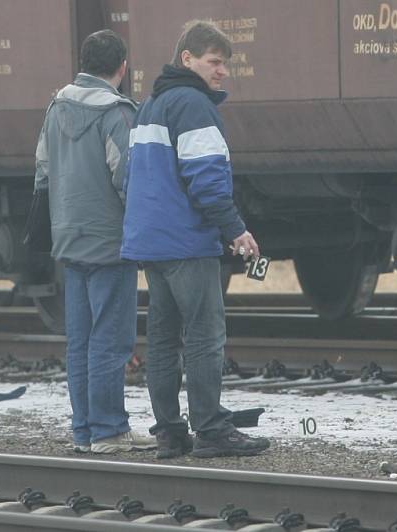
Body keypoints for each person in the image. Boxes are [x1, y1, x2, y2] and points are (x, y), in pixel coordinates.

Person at [121, 21, 270, 458]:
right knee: (205, 336)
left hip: (152, 240)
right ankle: (210, 429)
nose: (222, 71)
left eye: (225, 63)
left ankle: (169, 431)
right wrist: (234, 228)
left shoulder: (150, 104)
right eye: (214, 62)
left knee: (164, 339)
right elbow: (206, 178)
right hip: (186, 240)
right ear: (187, 58)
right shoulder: (193, 105)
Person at [31, 29, 155, 454]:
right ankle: (108, 430)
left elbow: (42, 173)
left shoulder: (55, 108)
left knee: (80, 340)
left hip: (68, 239)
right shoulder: (116, 114)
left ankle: (84, 429)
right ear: (122, 67)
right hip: (109, 242)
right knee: (111, 338)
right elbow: (130, 180)